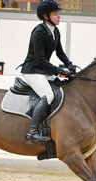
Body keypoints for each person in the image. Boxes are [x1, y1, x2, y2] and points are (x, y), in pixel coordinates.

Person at [20, 0, 76, 144]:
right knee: (48, 95)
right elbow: (40, 60)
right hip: (33, 70)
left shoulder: (55, 31)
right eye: (55, 14)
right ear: (46, 16)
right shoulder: (39, 32)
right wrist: (59, 71)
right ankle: (32, 132)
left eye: (59, 14)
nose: (59, 17)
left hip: (43, 70)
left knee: (62, 86)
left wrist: (69, 65)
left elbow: (60, 52)